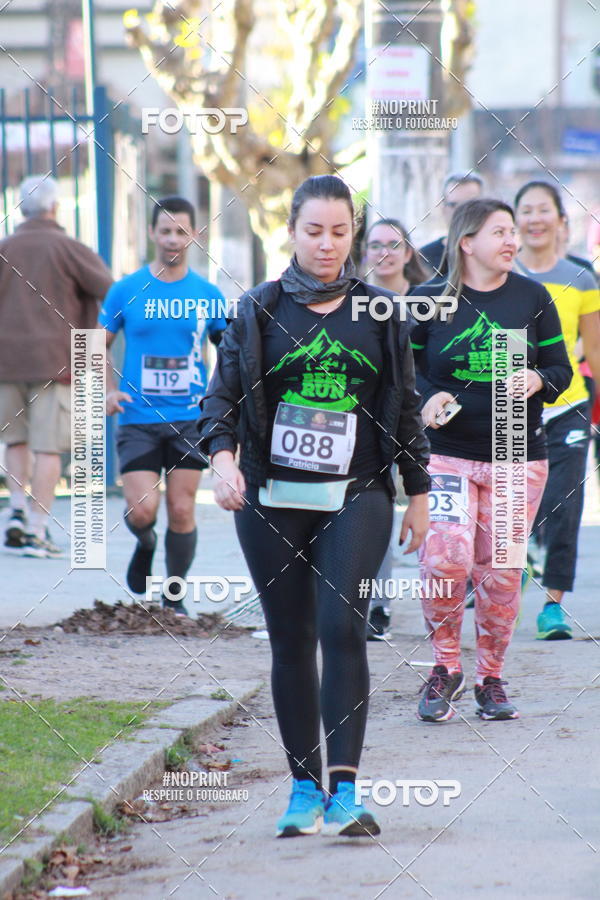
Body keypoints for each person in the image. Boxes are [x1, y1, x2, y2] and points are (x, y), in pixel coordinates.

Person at [197, 175, 431, 837]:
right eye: (314, 231)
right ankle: (303, 789)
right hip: (271, 497)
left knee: (341, 626)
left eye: (339, 232)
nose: (327, 244)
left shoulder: (382, 312)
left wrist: (418, 493)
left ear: (354, 235)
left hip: (356, 495)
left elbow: (406, 410)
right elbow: (221, 400)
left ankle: (345, 791)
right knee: (292, 639)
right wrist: (222, 461)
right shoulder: (260, 308)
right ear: (293, 233)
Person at [411, 198, 572, 722]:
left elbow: (560, 368)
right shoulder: (428, 298)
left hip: (515, 454)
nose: (512, 240)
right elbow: (403, 368)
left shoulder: (532, 296)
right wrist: (423, 396)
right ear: (467, 242)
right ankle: (444, 668)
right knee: (445, 559)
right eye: (499, 232)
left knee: (500, 573)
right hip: (448, 456)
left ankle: (491, 678)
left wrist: (537, 380)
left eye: (512, 232)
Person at [100, 196, 226, 615]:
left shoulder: (207, 295)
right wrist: (107, 389)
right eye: (166, 230)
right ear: (153, 233)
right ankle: (145, 542)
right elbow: (93, 346)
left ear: (196, 235)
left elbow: (230, 354)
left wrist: (222, 403)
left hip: (190, 419)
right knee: (143, 510)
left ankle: (174, 594)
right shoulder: (127, 290)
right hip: (137, 417)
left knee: (182, 507)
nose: (173, 238)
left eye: (182, 231)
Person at [0, 175, 113, 557]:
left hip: (6, 363)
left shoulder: (4, 249)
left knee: (14, 438)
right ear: (54, 208)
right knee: (48, 448)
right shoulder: (69, 248)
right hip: (57, 363)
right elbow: (111, 293)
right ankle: (36, 528)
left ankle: (15, 509)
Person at [514, 181, 600, 640]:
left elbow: (596, 352)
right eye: (526, 210)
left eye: (543, 210)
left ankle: (553, 606)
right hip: (509, 409)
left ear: (560, 220)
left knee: (565, 503)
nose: (535, 218)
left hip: (567, 405)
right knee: (514, 507)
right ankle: (517, 569)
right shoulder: (500, 276)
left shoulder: (581, 278)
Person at [362, 218, 428, 640]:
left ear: (407, 253)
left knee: (433, 520)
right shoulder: (354, 302)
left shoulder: (429, 304)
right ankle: (378, 606)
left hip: (430, 422)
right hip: (376, 424)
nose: (384, 252)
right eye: (375, 245)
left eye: (393, 244)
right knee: (378, 513)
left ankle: (445, 602)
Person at [419, 171, 484, 279]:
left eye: (470, 204)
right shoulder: (423, 258)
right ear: (443, 209)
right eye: (454, 205)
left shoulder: (494, 253)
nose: (462, 212)